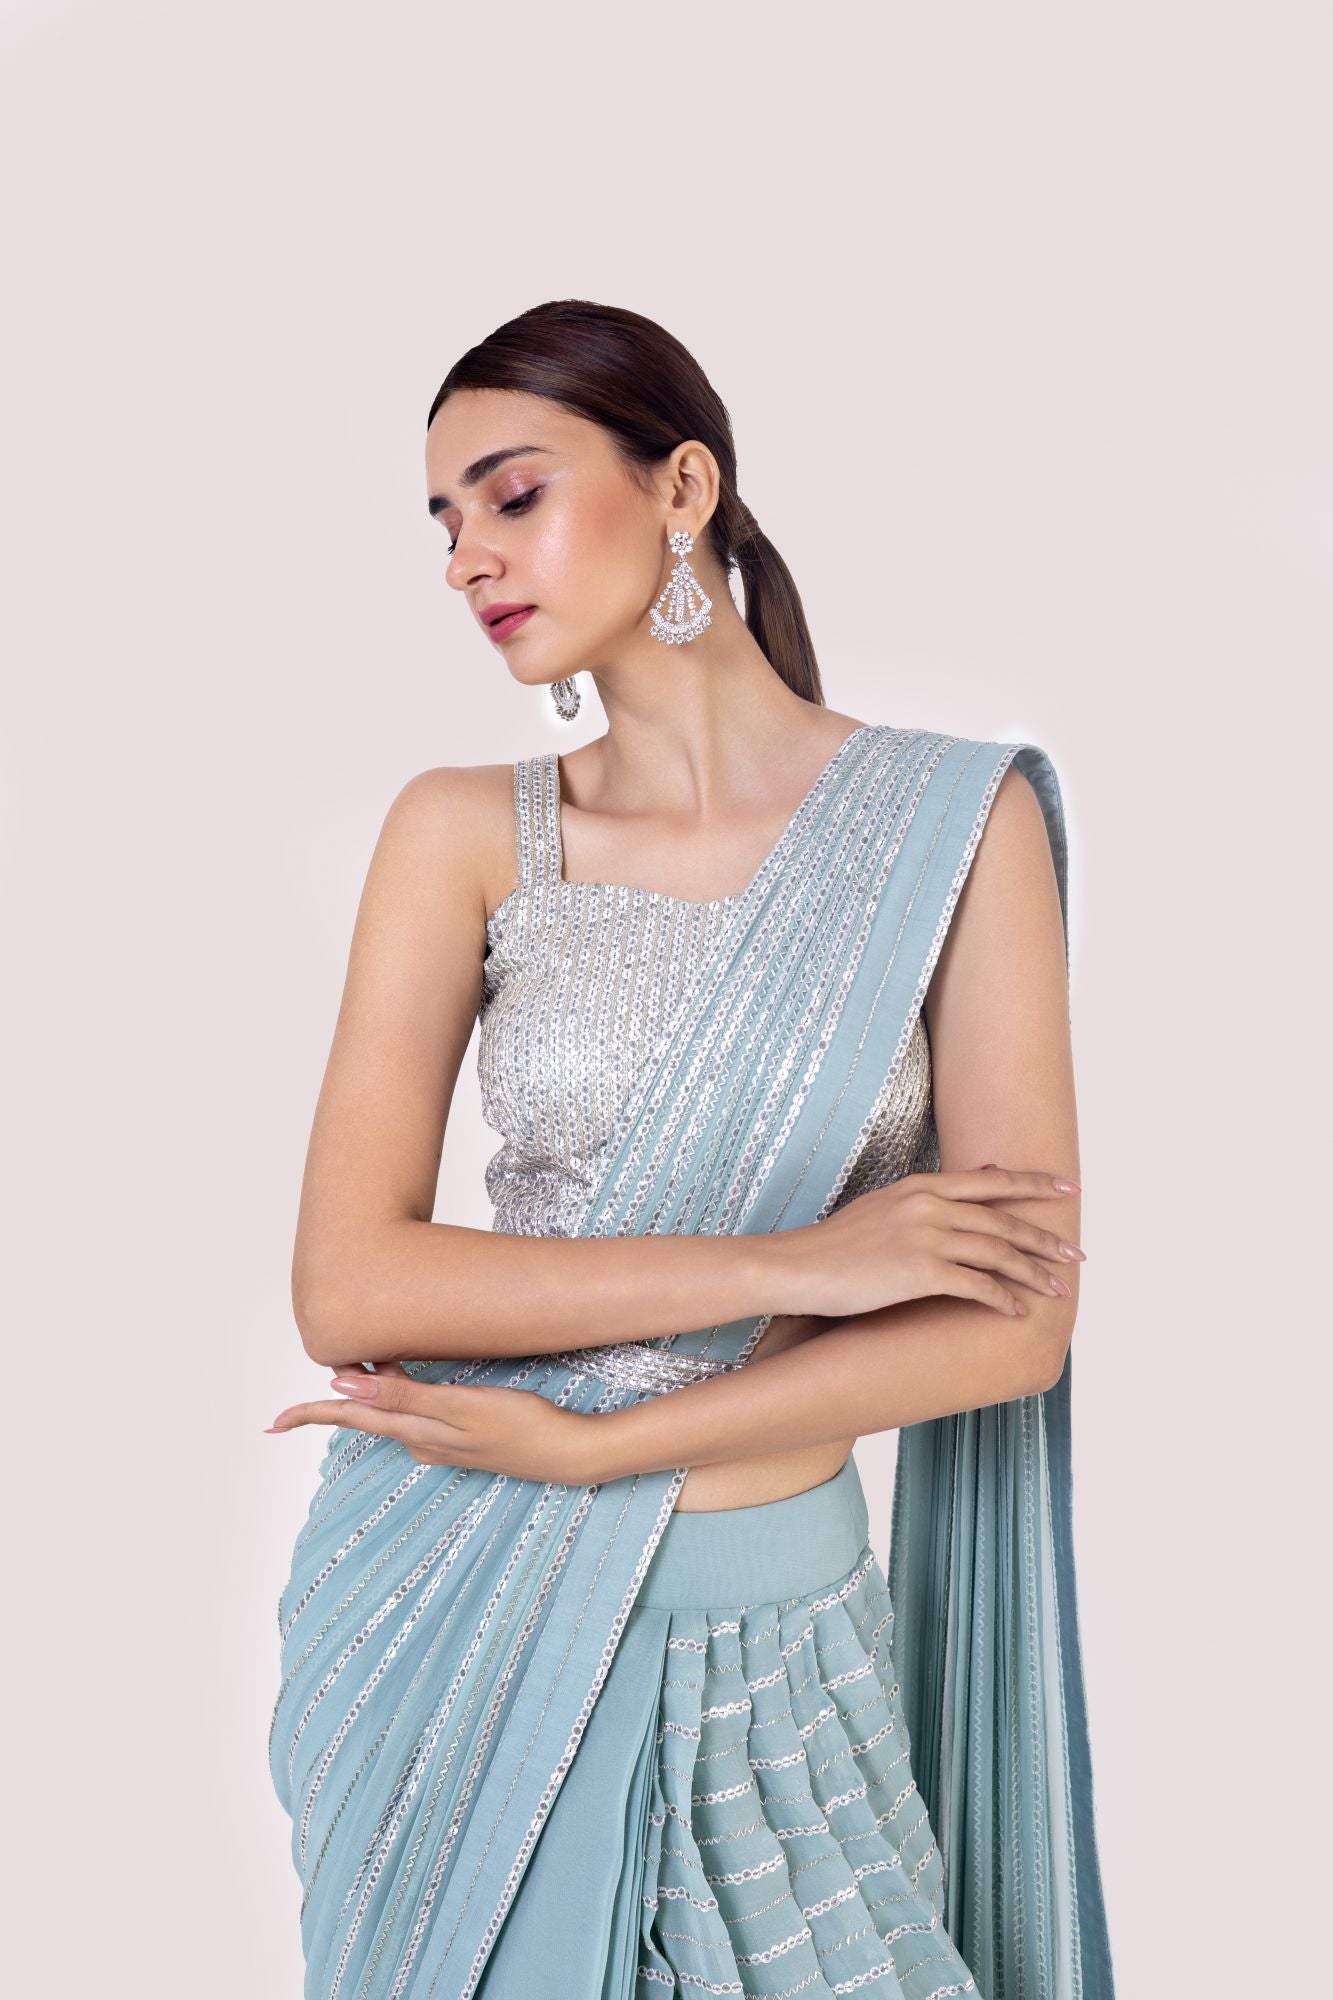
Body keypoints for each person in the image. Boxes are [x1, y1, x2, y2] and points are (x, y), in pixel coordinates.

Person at [266, 299, 1116, 1999]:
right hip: (450, 1596)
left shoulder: (956, 825)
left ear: (682, 487)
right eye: (442, 520)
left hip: (774, 1622)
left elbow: (1014, 1325)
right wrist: (799, 1268)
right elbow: (349, 1283)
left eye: (511, 494)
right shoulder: (464, 833)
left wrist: (603, 1450)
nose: (465, 556)